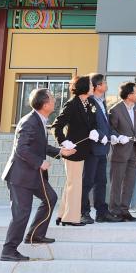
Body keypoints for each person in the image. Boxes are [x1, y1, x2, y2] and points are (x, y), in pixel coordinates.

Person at [1, 88, 76, 261]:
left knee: (50, 198)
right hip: (20, 176)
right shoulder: (29, 121)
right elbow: (21, 149)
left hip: (33, 176)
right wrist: (39, 162)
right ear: (44, 103)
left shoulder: (40, 120)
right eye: (52, 98)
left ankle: (34, 234)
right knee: (21, 214)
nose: (55, 100)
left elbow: (40, 147)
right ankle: (8, 250)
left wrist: (60, 152)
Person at [52, 75, 95, 227]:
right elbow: (56, 126)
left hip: (84, 149)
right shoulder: (72, 104)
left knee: (72, 183)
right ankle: (70, 218)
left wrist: (94, 131)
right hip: (73, 150)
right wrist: (63, 142)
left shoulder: (87, 103)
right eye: (90, 84)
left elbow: (90, 122)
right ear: (83, 86)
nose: (92, 87)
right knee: (75, 184)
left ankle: (62, 215)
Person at [107, 82, 136, 222]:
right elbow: (111, 129)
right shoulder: (115, 110)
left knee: (130, 182)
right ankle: (114, 211)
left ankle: (124, 210)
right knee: (117, 183)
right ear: (129, 95)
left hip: (134, 150)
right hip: (120, 151)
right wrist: (117, 136)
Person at [81, 73, 114, 224]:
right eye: (104, 82)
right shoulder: (88, 101)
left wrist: (111, 135)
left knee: (101, 181)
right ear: (98, 86)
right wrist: (101, 136)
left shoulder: (102, 102)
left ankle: (102, 212)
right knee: (87, 181)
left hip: (103, 148)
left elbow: (105, 123)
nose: (106, 85)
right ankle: (83, 211)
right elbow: (89, 124)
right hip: (92, 148)